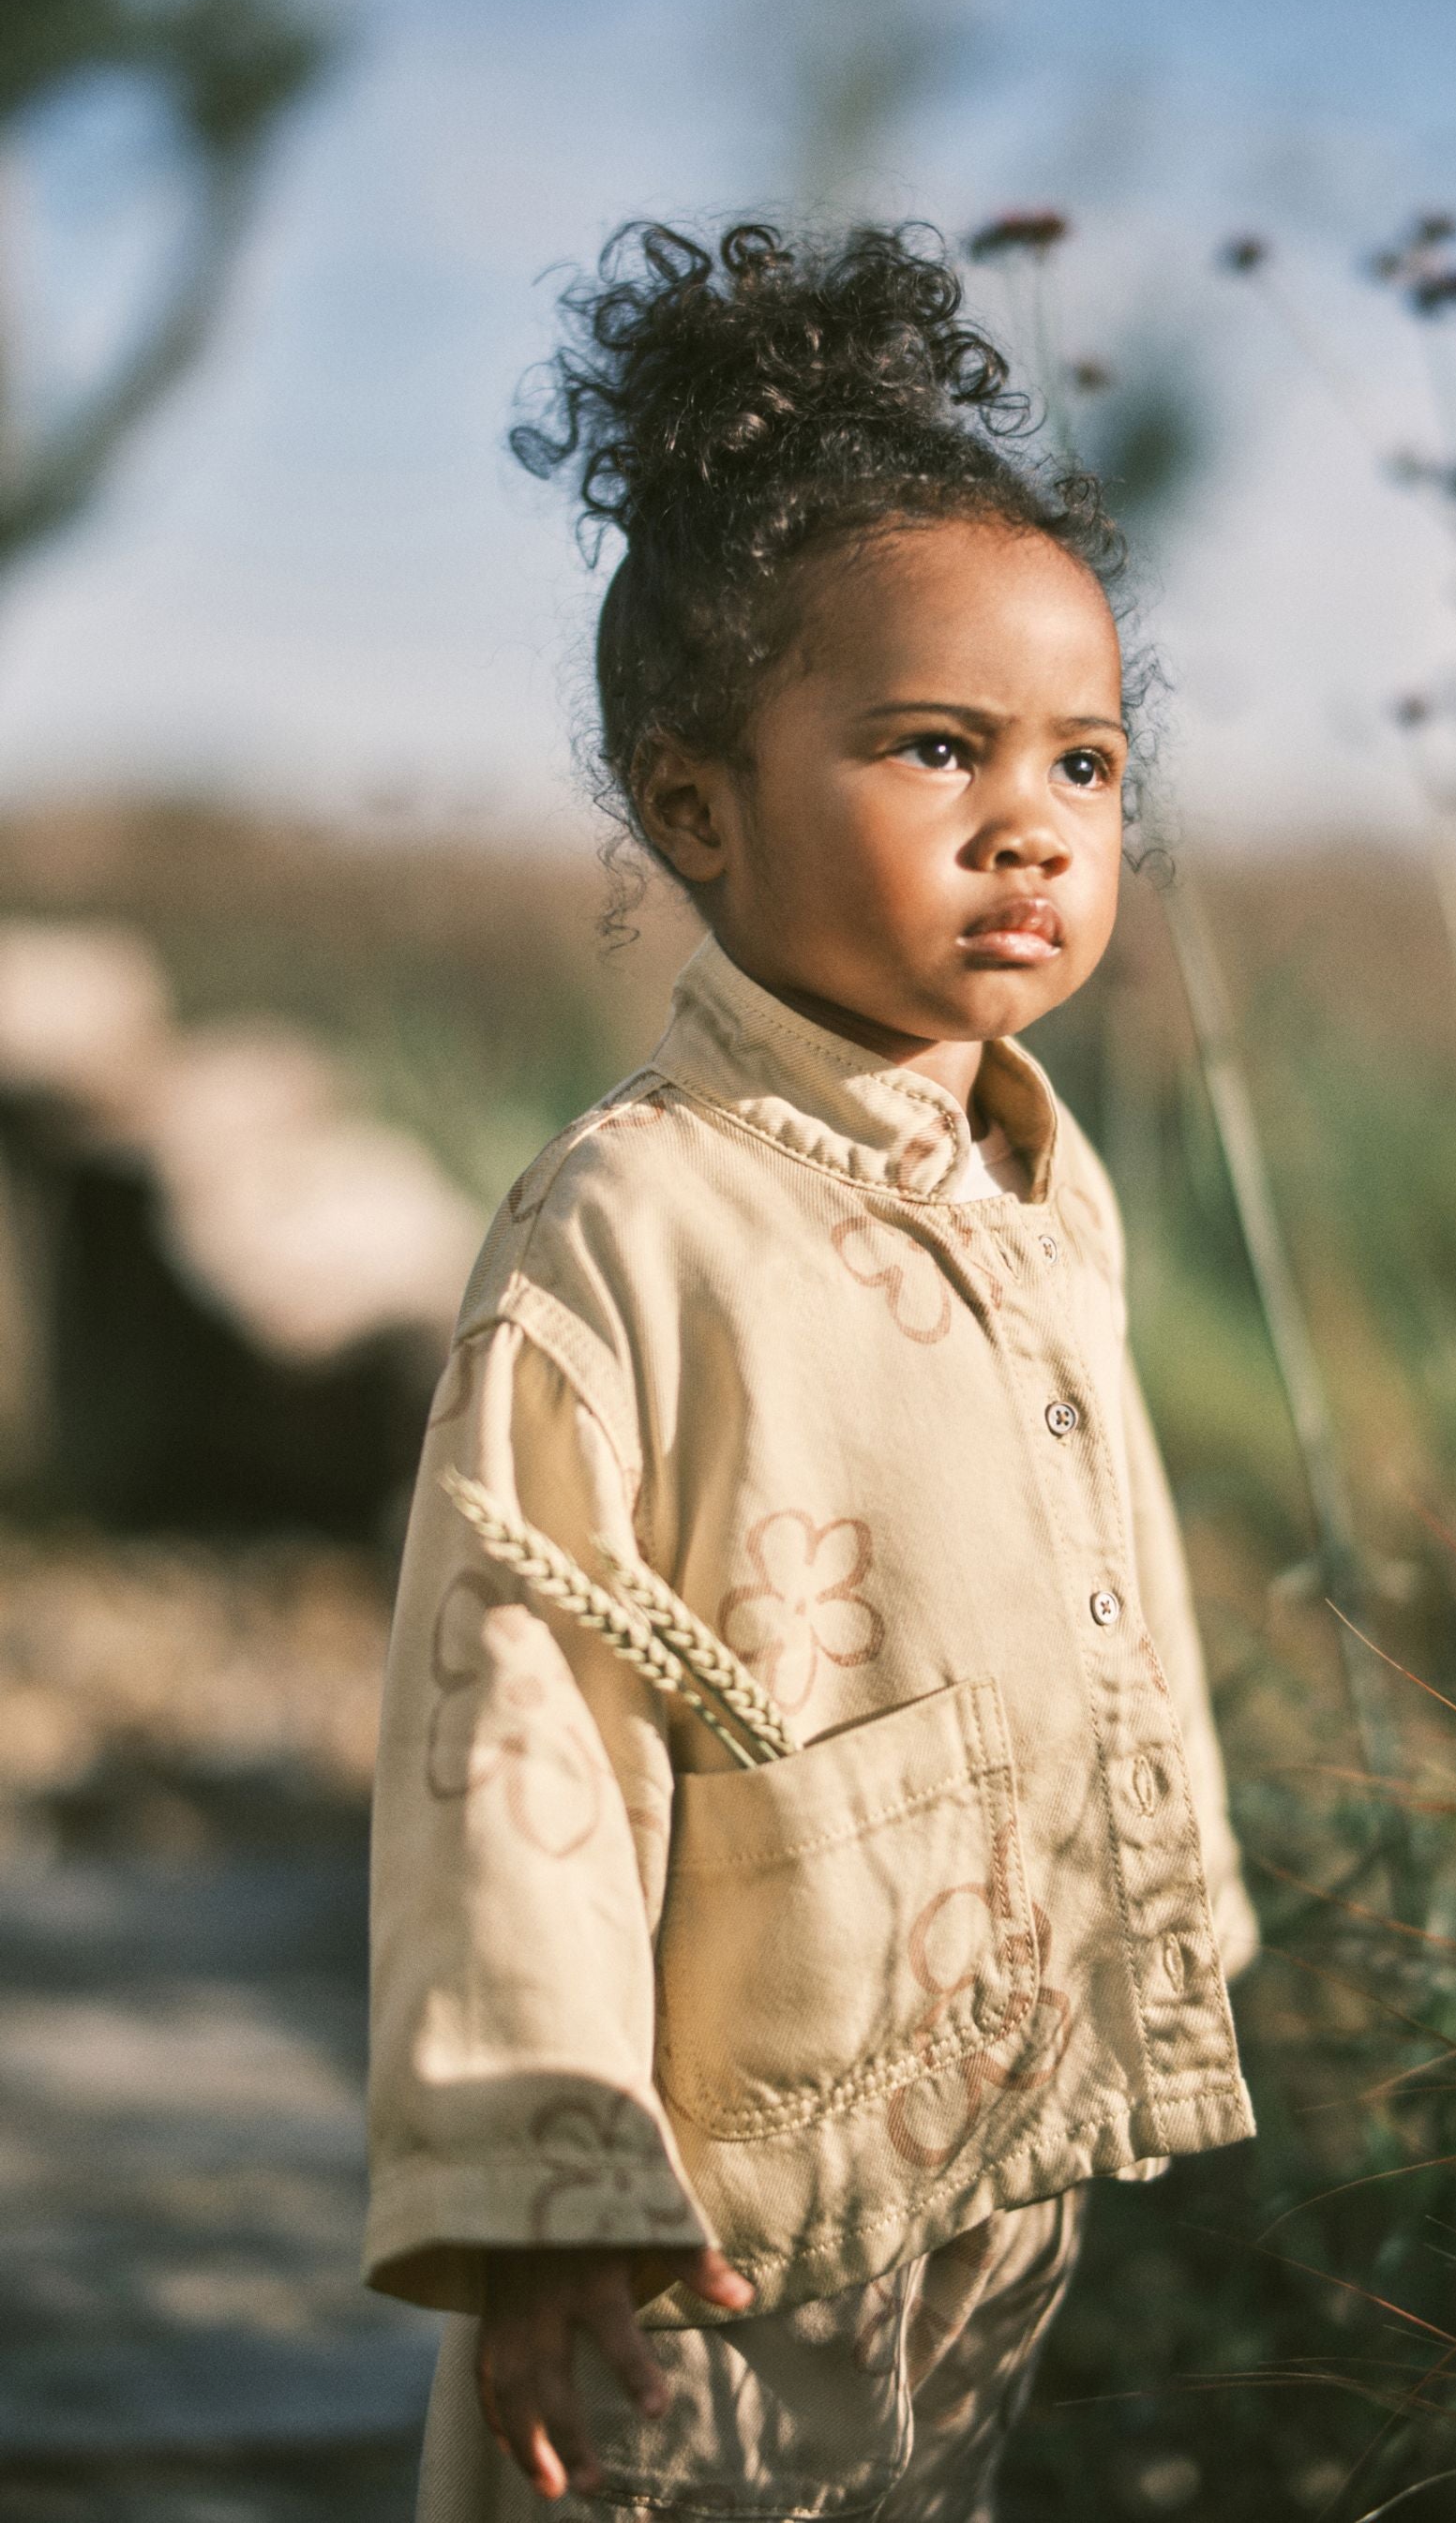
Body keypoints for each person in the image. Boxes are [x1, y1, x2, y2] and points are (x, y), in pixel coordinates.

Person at [363, 218, 1256, 2523]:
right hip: (711, 2229)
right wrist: (546, 2196)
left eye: (1087, 759)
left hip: (980, 2142)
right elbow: (516, 1724)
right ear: (698, 807)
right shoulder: (634, 1228)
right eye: (936, 748)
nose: (1033, 822)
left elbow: (1114, 1572)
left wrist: (1189, 1934)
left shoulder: (1043, 1177)